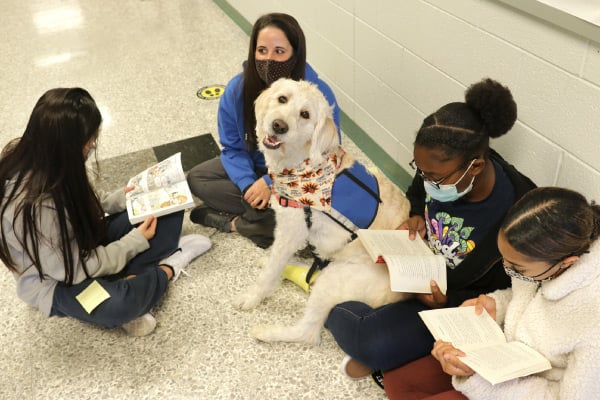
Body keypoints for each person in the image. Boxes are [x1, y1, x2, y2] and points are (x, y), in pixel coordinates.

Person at [324, 78, 536, 387]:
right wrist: (414, 213)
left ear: (475, 167)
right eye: (419, 169)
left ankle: (361, 327)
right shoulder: (441, 168)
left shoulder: (516, 215)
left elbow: (506, 291)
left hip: (445, 301)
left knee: (369, 340)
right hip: (412, 263)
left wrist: (446, 299)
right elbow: (419, 187)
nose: (426, 181)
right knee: (340, 270)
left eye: (433, 177)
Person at [0, 88, 211, 336]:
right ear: (68, 144)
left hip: (85, 241)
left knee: (167, 209)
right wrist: (133, 243)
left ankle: (132, 278)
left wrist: (125, 197)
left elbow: (83, 203)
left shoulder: (52, 160)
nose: (92, 146)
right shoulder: (33, 207)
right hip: (59, 283)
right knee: (119, 304)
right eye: (88, 141)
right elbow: (74, 269)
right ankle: (167, 268)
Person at [384, 187, 600, 399]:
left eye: (517, 268)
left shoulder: (593, 324)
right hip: (504, 362)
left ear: (567, 262)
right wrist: (496, 304)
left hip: (531, 389)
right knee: (398, 380)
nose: (508, 270)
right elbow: (532, 296)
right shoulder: (547, 258)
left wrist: (478, 380)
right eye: (504, 259)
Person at [186, 12, 340, 249]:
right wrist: (249, 184)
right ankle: (265, 216)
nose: (268, 60)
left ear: (295, 55)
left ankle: (238, 223)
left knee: (317, 217)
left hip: (297, 175)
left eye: (279, 51)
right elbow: (232, 148)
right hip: (255, 164)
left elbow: (324, 156)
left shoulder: (319, 97)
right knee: (197, 178)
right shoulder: (236, 90)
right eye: (262, 51)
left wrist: (271, 182)